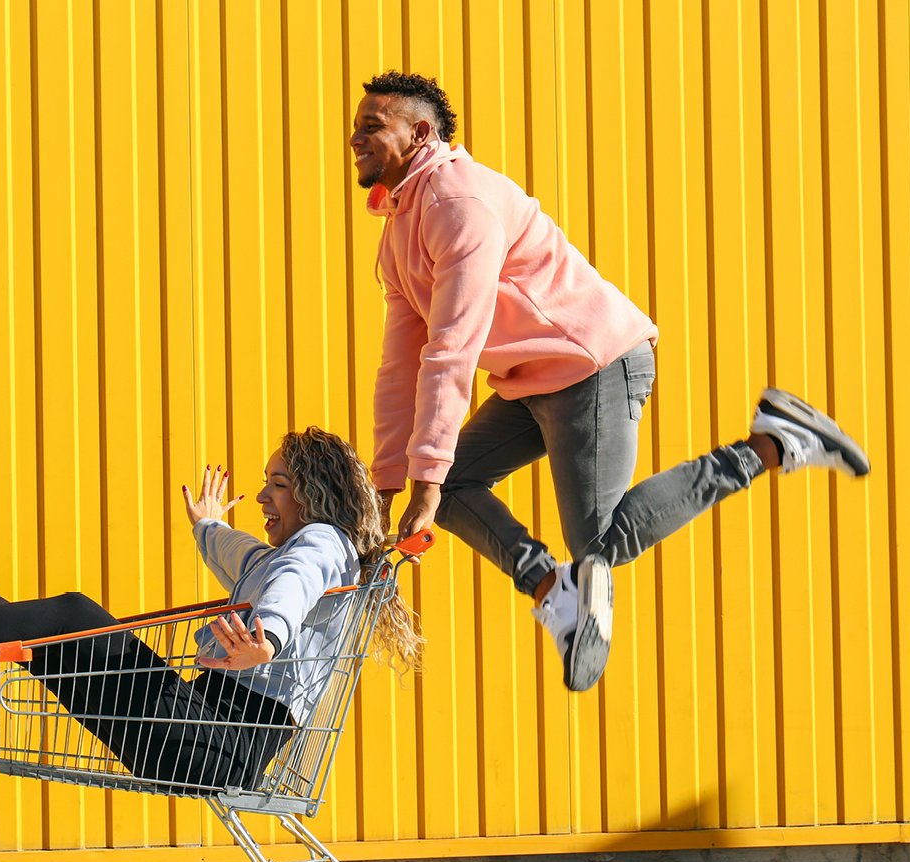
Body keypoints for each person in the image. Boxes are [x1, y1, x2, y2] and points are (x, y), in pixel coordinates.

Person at [350, 70, 870, 692]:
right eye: (355, 127)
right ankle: (554, 589)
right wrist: (384, 490)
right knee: (458, 482)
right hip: (532, 379)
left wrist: (423, 482)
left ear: (420, 132)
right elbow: (400, 367)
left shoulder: (458, 204)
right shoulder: (400, 231)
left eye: (372, 126)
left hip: (591, 364)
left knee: (599, 540)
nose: (355, 138)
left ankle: (772, 444)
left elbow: (451, 348)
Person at [0, 428, 422, 788]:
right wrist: (206, 526)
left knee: (73, 613)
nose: (261, 494)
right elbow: (241, 554)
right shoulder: (275, 558)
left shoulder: (321, 544)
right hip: (196, 728)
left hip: (218, 738)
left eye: (278, 483)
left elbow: (292, 586)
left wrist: (271, 639)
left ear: (316, 493)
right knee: (49, 635)